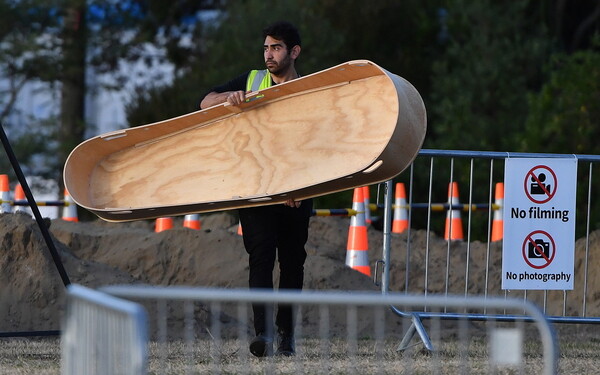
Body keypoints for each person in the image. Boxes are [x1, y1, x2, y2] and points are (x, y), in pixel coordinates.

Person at [200, 21, 312, 357]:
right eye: (266, 47)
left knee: (292, 262)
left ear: (294, 52)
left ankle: (286, 335)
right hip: (255, 186)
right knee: (260, 258)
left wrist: (301, 186)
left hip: (296, 192)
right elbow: (204, 101)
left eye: (276, 48)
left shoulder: (311, 89)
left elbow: (318, 145)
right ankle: (262, 334)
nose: (269, 54)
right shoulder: (252, 80)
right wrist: (229, 98)